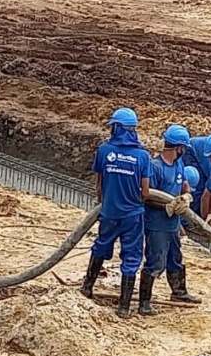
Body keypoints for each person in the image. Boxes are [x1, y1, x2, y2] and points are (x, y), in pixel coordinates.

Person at [80, 107, 153, 318]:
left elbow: (99, 183)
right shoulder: (142, 156)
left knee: (101, 246)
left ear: (117, 127)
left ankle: (87, 287)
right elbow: (146, 191)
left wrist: (105, 202)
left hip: (109, 213)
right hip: (132, 215)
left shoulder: (104, 150)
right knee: (131, 257)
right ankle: (123, 307)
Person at [141, 126, 203, 314]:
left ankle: (179, 291)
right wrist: (168, 206)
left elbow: (184, 186)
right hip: (157, 224)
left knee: (175, 258)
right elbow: (148, 196)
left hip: (172, 224)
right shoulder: (156, 167)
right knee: (155, 261)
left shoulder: (178, 165)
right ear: (178, 147)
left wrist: (186, 197)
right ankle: (144, 302)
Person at [182, 136, 211, 219]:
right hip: (191, 151)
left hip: (197, 151)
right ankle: (190, 215)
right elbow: (206, 195)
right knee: (197, 185)